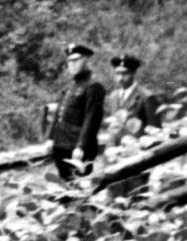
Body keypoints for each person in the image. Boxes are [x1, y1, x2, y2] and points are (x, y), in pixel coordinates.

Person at [48, 43, 108, 181]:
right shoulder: (70, 86)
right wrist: (50, 138)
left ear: (85, 61)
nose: (72, 64)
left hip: (77, 148)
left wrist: (80, 147)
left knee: (79, 186)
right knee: (65, 185)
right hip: (61, 145)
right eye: (69, 61)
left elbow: (91, 119)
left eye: (76, 60)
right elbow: (58, 114)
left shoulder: (93, 86)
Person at [106, 54, 162, 147]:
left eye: (125, 73)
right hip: (116, 150)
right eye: (117, 73)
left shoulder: (146, 97)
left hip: (139, 149)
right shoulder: (113, 97)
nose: (120, 78)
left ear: (133, 73)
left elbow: (155, 131)